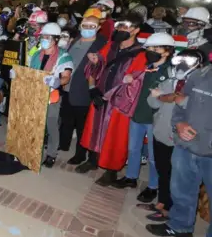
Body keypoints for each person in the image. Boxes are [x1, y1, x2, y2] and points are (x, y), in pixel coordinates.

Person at [146, 57, 212, 237]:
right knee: (181, 189)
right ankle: (180, 226)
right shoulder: (200, 75)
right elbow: (181, 102)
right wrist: (180, 124)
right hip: (186, 145)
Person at [79, 12, 147, 185]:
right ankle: (93, 160)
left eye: (125, 26)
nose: (120, 29)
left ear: (135, 30)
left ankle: (111, 171)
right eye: (119, 26)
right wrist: (93, 88)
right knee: (94, 129)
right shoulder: (110, 46)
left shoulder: (140, 54)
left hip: (119, 102)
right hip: (100, 94)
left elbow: (135, 83)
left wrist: (109, 96)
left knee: (115, 136)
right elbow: (95, 66)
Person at [110, 33, 175, 202]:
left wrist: (163, 94)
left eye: (156, 48)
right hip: (138, 114)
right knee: (133, 148)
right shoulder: (148, 66)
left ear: (167, 51)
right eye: (150, 48)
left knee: (154, 156)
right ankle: (131, 177)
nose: (152, 51)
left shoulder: (170, 71)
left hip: (156, 119)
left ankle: (153, 186)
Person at [144, 49, 205, 222]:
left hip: (179, 137)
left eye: (189, 61)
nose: (183, 64)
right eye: (181, 60)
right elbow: (152, 103)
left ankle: (170, 209)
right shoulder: (170, 80)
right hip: (161, 131)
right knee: (162, 170)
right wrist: (160, 96)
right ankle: (162, 202)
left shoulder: (199, 85)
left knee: (177, 177)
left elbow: (194, 107)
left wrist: (171, 97)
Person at [59, 12, 107, 165]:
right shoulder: (76, 40)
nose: (87, 28)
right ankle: (63, 144)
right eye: (85, 26)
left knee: (82, 126)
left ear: (98, 28)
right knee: (66, 119)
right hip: (67, 88)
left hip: (83, 90)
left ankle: (81, 154)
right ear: (80, 26)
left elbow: (103, 67)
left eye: (92, 26)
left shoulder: (102, 44)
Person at [25, 23, 74, 166]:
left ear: (56, 39)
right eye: (43, 37)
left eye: (48, 37)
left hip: (51, 97)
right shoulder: (36, 54)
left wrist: (57, 81)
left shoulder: (64, 56)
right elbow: (29, 70)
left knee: (51, 126)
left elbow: (66, 76)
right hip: (34, 94)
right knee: (34, 124)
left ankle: (51, 154)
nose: (44, 39)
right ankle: (33, 149)